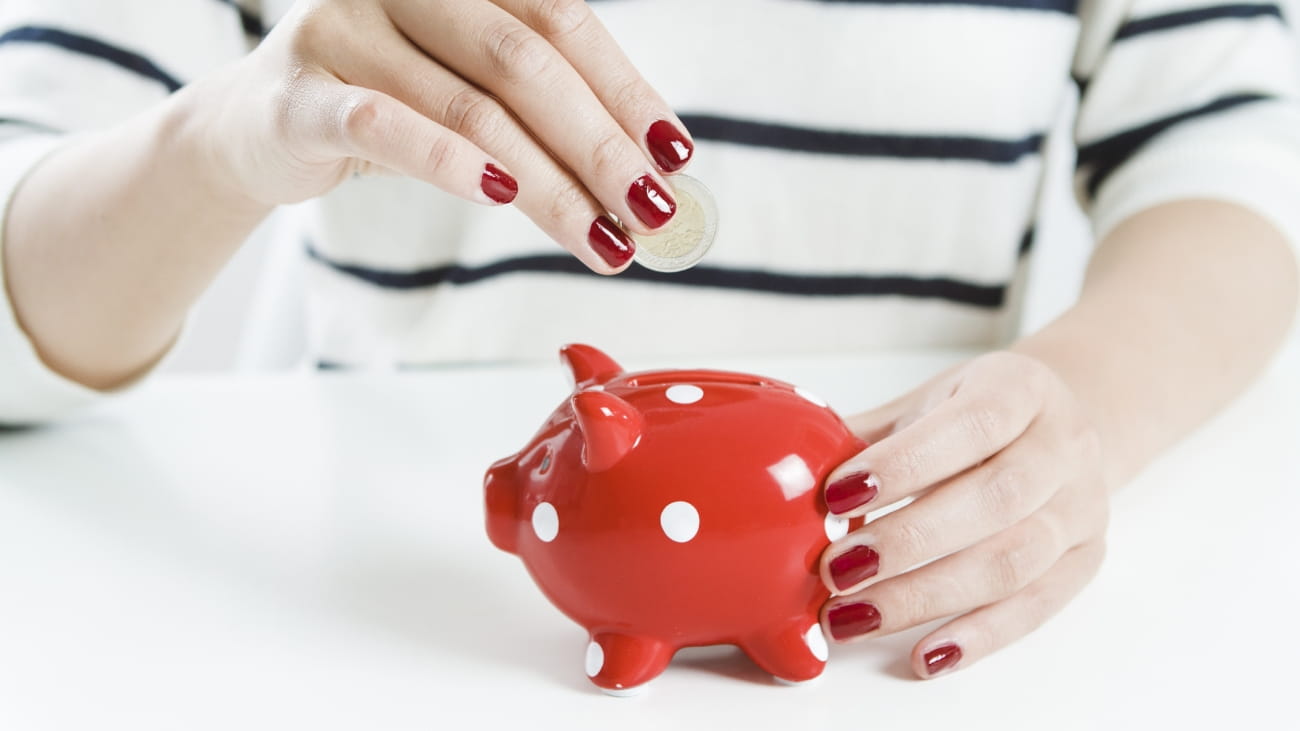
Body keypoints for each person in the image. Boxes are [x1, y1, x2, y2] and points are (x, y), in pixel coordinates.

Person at [0, 0, 1297, 681]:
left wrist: (1077, 408)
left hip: (895, 624)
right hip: (387, 624)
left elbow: (1239, 153)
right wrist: (219, 139)